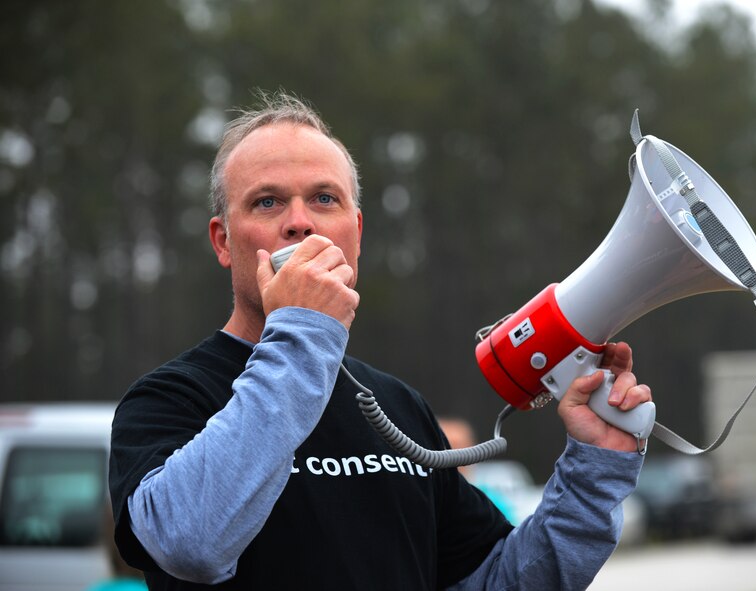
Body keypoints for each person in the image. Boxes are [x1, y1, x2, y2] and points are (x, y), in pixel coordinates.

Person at [108, 90, 653, 590]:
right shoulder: (168, 400)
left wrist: (592, 471)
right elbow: (192, 544)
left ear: (357, 234)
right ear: (223, 242)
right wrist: (301, 332)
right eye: (267, 202)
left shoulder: (396, 407)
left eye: (324, 199)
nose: (300, 223)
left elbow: (498, 579)